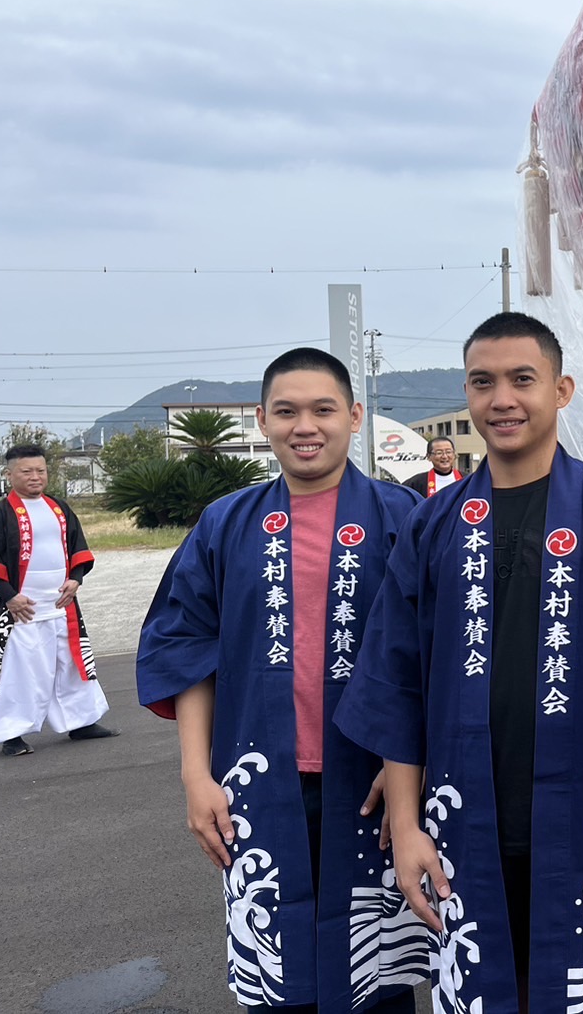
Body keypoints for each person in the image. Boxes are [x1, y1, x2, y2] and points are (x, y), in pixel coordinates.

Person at [335, 312, 583, 1014]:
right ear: (467, 396)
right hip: (466, 822)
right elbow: (396, 683)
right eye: (483, 381)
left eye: (521, 379)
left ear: (561, 389)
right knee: (490, 990)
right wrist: (405, 826)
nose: (502, 398)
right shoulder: (433, 525)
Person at [137, 348, 431, 1012]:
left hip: (375, 779)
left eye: (323, 409)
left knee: (375, 974)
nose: (307, 425)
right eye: (288, 411)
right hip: (257, 782)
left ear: (353, 416)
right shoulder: (226, 524)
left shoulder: (402, 517)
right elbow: (186, 648)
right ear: (263, 421)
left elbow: (441, 654)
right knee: (279, 977)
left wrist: (412, 762)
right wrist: (194, 775)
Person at [0, 444, 117, 756]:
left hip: (62, 606)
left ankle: (82, 722)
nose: (35, 477)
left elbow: (78, 549)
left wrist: (75, 579)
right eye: (27, 471)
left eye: (41, 470)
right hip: (21, 610)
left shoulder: (60, 508)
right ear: (10, 474)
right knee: (22, 670)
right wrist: (10, 597)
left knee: (72, 665)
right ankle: (12, 734)